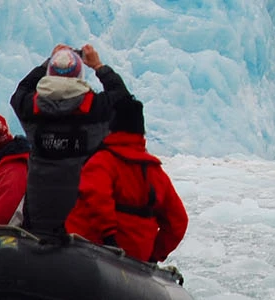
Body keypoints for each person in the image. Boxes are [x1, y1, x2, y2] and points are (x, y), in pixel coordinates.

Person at [10, 44, 129, 239]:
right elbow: (122, 99)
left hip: (40, 214)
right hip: (81, 217)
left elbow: (21, 92)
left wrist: (48, 61)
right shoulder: (95, 110)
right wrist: (99, 66)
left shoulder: (32, 110)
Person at [66, 99, 187, 263]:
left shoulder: (102, 161)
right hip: (137, 260)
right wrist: (153, 256)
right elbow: (178, 222)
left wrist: (109, 238)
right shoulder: (156, 172)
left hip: (90, 253)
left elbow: (97, 197)